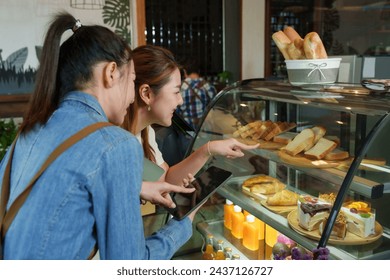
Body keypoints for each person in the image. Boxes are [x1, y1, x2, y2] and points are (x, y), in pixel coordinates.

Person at [0, 12, 195, 260]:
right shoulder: (116, 144)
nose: (132, 97)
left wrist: (136, 187)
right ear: (111, 73)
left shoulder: (31, 130)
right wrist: (182, 225)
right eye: (132, 81)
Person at [122, 45, 259, 203]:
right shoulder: (117, 141)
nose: (180, 101)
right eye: (176, 92)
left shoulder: (145, 133)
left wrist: (208, 149)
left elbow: (165, 180)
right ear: (146, 94)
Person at [176, 58, 218, 130]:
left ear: (184, 71)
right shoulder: (209, 87)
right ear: (198, 71)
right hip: (205, 130)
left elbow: (176, 112)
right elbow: (215, 110)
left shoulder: (179, 88)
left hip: (186, 131)